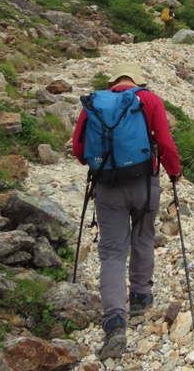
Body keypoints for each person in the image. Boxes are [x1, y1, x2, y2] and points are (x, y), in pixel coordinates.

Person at [72, 62, 182, 360]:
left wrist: (103, 162)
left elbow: (79, 151)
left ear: (113, 82)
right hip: (145, 184)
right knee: (143, 238)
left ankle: (115, 321)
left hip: (107, 187)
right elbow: (165, 143)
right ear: (136, 79)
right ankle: (140, 296)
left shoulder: (96, 102)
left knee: (111, 251)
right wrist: (174, 173)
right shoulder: (149, 99)